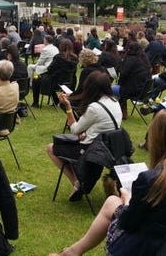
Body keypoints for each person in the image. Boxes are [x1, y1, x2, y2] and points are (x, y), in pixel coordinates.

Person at [50, 109, 166, 256]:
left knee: (114, 202)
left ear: (157, 139)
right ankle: (73, 251)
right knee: (111, 202)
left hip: (152, 248)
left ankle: (73, 252)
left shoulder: (152, 180)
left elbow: (127, 223)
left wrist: (128, 199)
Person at [47, 71, 122, 200]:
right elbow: (103, 126)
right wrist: (86, 133)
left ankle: (76, 182)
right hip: (110, 147)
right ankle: (79, 179)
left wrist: (68, 107)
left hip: (91, 151)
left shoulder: (94, 107)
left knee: (51, 148)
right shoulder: (115, 101)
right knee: (68, 143)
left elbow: (75, 129)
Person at [32, 39, 78, 107]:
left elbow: (50, 69)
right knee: (48, 78)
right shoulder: (75, 58)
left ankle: (36, 102)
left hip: (55, 83)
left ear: (61, 47)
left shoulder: (58, 57)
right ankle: (55, 99)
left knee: (36, 80)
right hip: (69, 82)